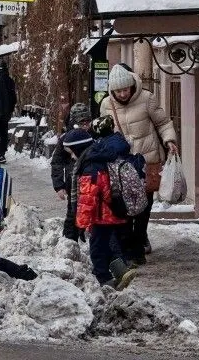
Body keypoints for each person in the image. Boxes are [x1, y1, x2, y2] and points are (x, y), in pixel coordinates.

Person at [99, 64, 177, 264]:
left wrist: (169, 141)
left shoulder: (147, 98)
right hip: (122, 164)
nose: (123, 94)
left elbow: (163, 122)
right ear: (112, 90)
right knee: (124, 205)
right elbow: (104, 131)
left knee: (144, 205)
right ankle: (130, 248)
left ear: (132, 86)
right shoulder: (107, 104)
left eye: (125, 89)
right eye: (118, 91)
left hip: (147, 161)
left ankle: (140, 238)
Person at [69, 122, 137, 290]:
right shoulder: (101, 156)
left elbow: (87, 198)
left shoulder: (89, 165)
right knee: (107, 244)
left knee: (97, 248)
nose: (71, 157)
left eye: (71, 152)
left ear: (78, 149)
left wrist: (80, 224)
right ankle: (121, 271)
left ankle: (104, 279)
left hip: (101, 215)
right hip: (112, 209)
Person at [51, 103, 92, 241]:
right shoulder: (66, 139)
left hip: (91, 182)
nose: (85, 125)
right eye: (82, 122)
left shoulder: (92, 136)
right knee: (73, 213)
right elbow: (56, 162)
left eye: (88, 121)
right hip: (73, 183)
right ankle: (70, 241)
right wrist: (59, 185)